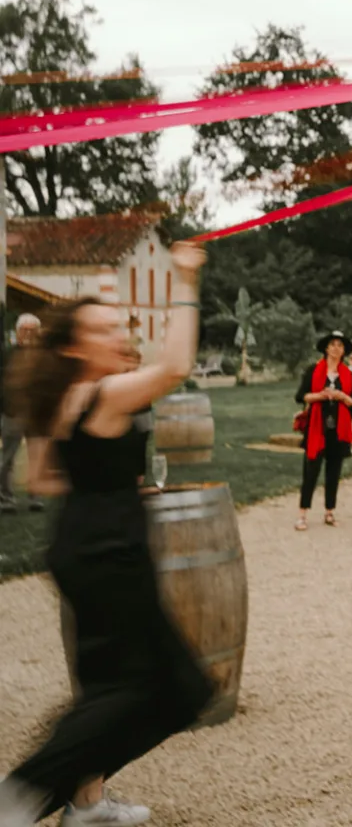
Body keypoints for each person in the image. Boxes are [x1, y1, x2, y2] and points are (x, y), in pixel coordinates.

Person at [0, 243, 213, 827]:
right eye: (102, 329)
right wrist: (186, 281)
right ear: (73, 347)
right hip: (110, 554)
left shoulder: (59, 400)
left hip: (83, 546)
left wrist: (107, 485)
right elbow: (173, 368)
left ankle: (78, 800)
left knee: (146, 689)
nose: (117, 335)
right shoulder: (102, 394)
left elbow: (43, 478)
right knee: (155, 688)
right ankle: (20, 793)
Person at [294, 330, 352, 531]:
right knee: (311, 470)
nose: (337, 348)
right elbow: (301, 396)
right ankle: (303, 513)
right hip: (316, 427)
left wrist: (340, 396)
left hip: (337, 429)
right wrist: (321, 395)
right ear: (326, 348)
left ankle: (330, 511)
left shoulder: (346, 374)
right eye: (333, 344)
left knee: (333, 471)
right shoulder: (314, 370)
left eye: (340, 345)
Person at [1, 314, 45, 514]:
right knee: (7, 458)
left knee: (37, 457)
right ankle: (6, 498)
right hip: (12, 412)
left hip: (37, 414)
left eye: (32, 330)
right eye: (24, 330)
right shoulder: (6, 355)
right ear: (18, 333)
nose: (28, 334)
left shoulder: (44, 358)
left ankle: (36, 496)